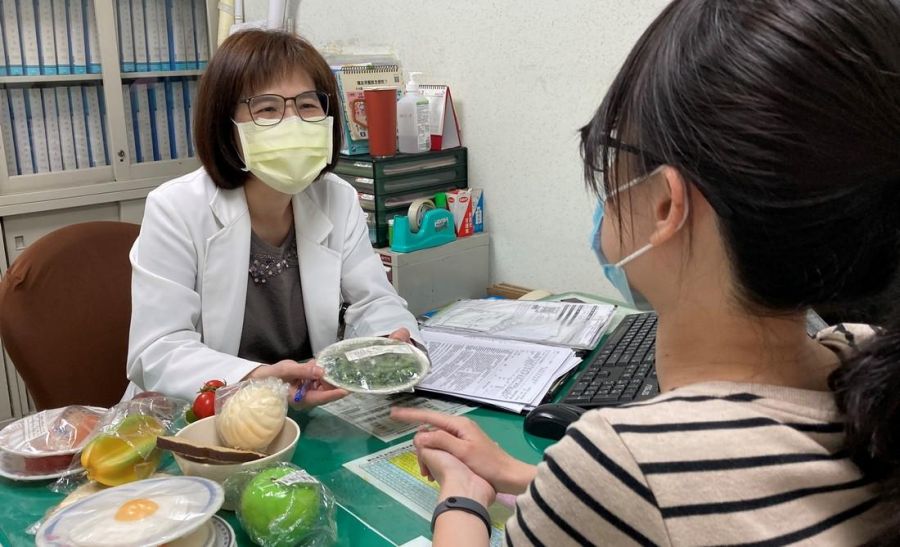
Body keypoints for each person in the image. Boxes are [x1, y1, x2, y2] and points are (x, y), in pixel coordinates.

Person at [393, 0, 900, 544]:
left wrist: (462, 494)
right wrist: (527, 479)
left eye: (611, 152)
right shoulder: (863, 362)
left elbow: (652, 491)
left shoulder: (620, 465)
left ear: (664, 204)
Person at [125, 30, 420, 405]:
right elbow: (157, 350)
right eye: (267, 109)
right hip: (205, 413)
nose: (292, 122)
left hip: (308, 408)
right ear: (226, 125)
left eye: (308, 106)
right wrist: (257, 380)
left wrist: (392, 344)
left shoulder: (337, 198)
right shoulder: (176, 208)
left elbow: (374, 300)